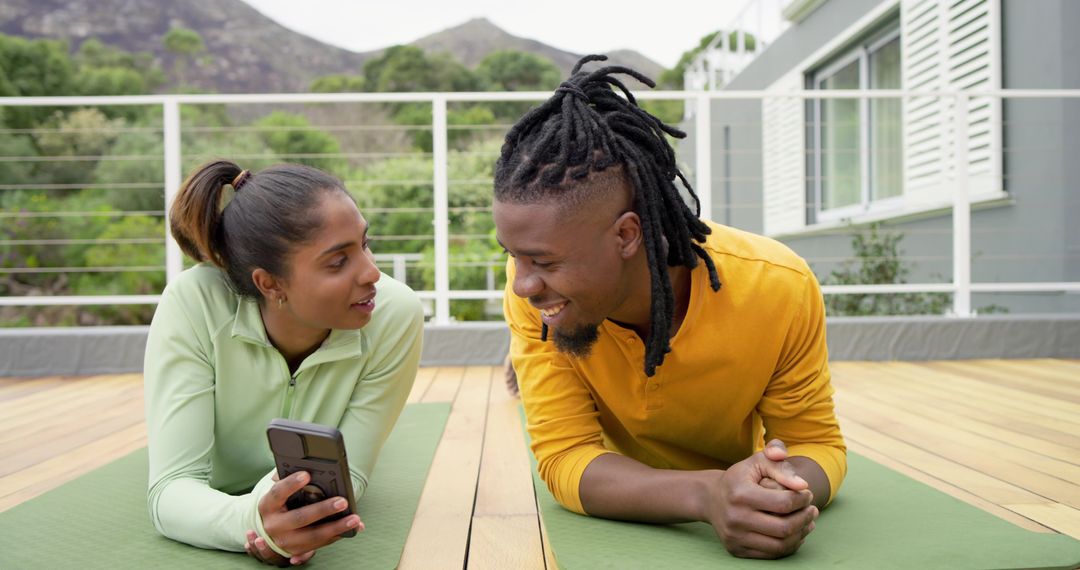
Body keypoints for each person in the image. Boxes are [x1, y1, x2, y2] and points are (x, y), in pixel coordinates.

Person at [495, 55, 846, 560]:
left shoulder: (778, 286)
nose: (523, 284)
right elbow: (566, 456)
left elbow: (818, 444)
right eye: (513, 256)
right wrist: (706, 495)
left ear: (627, 234)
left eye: (543, 260)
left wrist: (780, 494)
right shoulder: (530, 292)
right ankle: (522, 361)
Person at [143, 161, 424, 566]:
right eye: (337, 261)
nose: (372, 273)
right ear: (269, 283)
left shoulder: (394, 313)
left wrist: (298, 522)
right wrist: (253, 521)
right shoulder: (193, 303)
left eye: (364, 243)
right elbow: (170, 489)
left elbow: (352, 476)